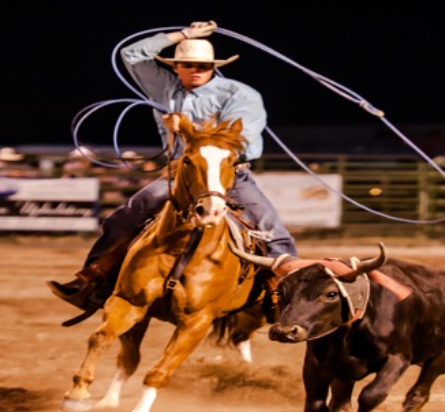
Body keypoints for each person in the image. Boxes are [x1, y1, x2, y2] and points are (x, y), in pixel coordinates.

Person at [48, 20, 297, 312]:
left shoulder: (240, 95)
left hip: (228, 174)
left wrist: (186, 129)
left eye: (202, 66)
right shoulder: (165, 87)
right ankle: (93, 283)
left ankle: (285, 294)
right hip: (181, 172)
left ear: (213, 67)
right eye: (187, 64)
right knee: (122, 219)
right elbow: (132, 54)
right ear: (175, 67)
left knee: (271, 230)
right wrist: (185, 34)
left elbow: (235, 139)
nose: (195, 70)